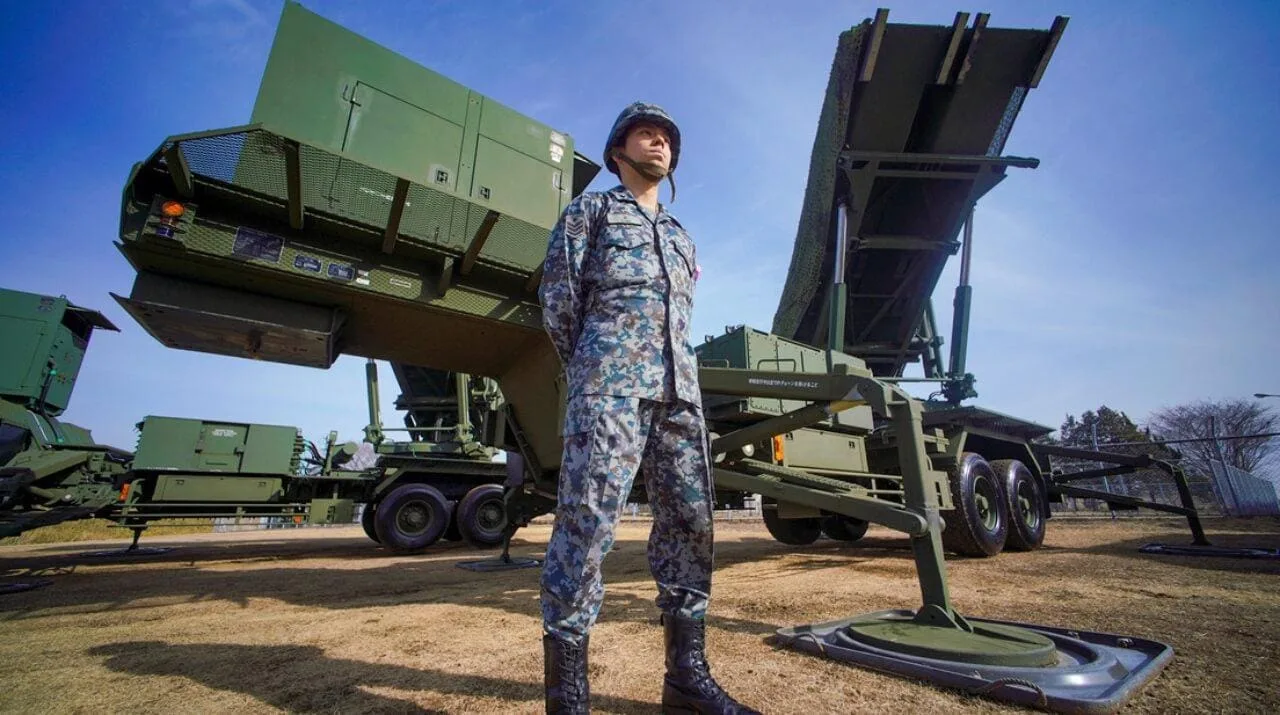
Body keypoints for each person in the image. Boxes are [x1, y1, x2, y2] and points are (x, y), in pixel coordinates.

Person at [537, 102, 758, 715]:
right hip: (610, 388)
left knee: (691, 524)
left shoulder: (681, 236)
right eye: (645, 133)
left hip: (679, 396)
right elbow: (558, 302)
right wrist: (597, 367)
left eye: (666, 137)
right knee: (587, 528)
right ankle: (568, 699)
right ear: (618, 151)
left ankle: (685, 682)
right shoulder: (590, 213)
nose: (659, 142)